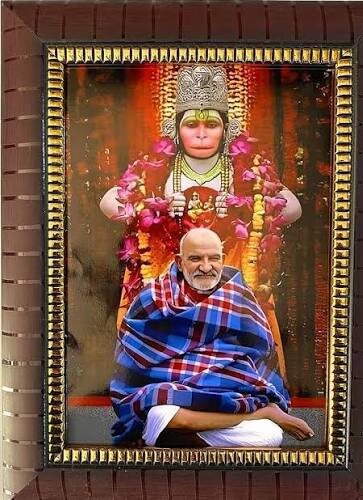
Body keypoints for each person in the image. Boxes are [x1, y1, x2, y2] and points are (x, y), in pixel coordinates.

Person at [101, 65, 302, 397]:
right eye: (191, 125)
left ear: (226, 129)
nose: (201, 134)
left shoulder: (247, 169)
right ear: (176, 129)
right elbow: (109, 203)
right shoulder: (157, 167)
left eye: (211, 125)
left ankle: (230, 392)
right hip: (168, 282)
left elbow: (292, 207)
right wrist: (156, 206)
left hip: (227, 282)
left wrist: (242, 206)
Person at [110, 228, 313, 447]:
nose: (206, 267)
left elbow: (262, 358)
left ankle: (182, 436)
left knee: (269, 435)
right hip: (173, 401)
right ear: (179, 262)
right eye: (195, 259)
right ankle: (261, 414)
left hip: (229, 399)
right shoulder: (152, 298)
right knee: (160, 414)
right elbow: (128, 367)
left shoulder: (240, 299)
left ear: (223, 260)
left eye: (213, 258)